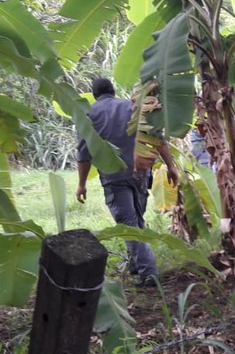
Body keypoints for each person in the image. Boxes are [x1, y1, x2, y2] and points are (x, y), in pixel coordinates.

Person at [75, 78, 179, 288]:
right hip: (140, 171)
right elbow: (156, 137)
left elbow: (84, 154)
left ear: (94, 95)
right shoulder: (133, 107)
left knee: (130, 226)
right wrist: (171, 166)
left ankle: (149, 274)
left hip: (114, 177)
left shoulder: (89, 115)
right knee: (136, 220)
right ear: (113, 91)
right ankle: (136, 264)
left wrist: (82, 184)